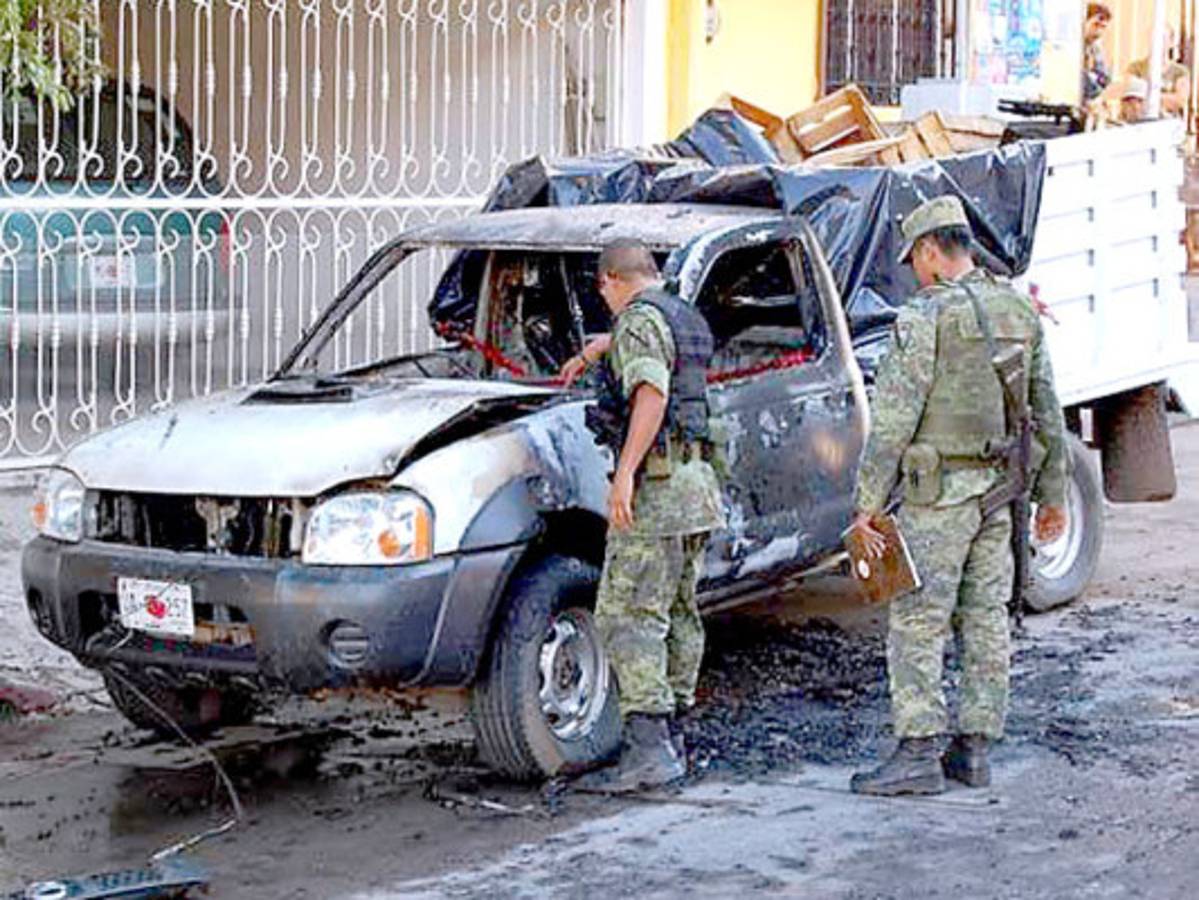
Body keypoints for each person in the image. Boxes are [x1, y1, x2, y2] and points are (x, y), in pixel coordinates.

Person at [847, 196, 1069, 796]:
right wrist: (1055, 495)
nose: (913, 274)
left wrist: (867, 504)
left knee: (918, 620)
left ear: (929, 252)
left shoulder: (926, 317)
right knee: (985, 618)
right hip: (998, 496)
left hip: (938, 496)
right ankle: (974, 751)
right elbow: (1047, 409)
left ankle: (918, 750)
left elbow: (894, 418)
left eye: (912, 261)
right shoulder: (1018, 310)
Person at [561, 241, 724, 792]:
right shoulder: (681, 314)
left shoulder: (637, 321)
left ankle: (648, 750)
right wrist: (596, 351)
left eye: (603, 291)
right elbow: (661, 358)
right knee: (677, 612)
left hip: (658, 487)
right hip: (698, 488)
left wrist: (625, 472)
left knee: (627, 613)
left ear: (611, 280)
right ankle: (673, 734)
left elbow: (652, 393)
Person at [1127, 24, 1191, 117]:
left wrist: (1145, 97)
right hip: (1139, 123)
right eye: (1153, 38)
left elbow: (1179, 101)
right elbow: (1130, 97)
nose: (1156, 42)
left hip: (1168, 124)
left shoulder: (1180, 71)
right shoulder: (1135, 68)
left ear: (1171, 42)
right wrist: (1165, 98)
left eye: (1162, 38)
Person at [1082, 3, 1113, 104]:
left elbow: (1104, 79)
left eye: (1103, 27)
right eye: (1095, 25)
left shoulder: (1096, 50)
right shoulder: (1072, 49)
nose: (1098, 32)